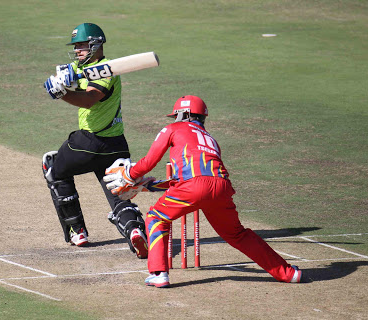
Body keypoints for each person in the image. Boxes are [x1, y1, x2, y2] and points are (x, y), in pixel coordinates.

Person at [104, 95, 302, 287]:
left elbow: (149, 162)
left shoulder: (172, 129)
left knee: (156, 218)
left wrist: (130, 175)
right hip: (221, 188)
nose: (175, 119)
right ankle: (288, 273)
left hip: (193, 187)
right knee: (238, 235)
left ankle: (158, 273)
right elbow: (198, 178)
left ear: (183, 114)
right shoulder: (210, 139)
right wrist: (148, 185)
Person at [41, 23, 148, 259]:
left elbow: (89, 100)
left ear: (96, 45)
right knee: (119, 191)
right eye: (76, 46)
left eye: (81, 45)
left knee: (52, 166)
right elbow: (64, 72)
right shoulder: (82, 66)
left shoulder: (106, 71)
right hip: (116, 145)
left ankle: (76, 230)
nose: (77, 50)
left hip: (88, 143)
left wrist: (63, 93)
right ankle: (134, 231)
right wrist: (62, 78)